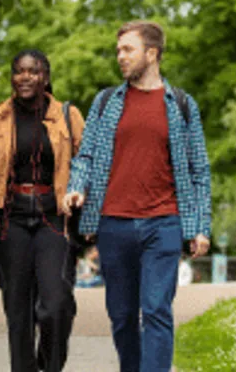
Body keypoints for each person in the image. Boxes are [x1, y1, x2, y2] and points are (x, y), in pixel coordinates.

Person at [63, 20, 212, 372]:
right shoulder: (105, 103)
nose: (120, 56)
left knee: (157, 309)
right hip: (113, 223)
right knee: (122, 315)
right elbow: (85, 156)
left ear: (152, 53)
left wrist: (200, 226)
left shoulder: (181, 105)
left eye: (128, 49)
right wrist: (76, 188)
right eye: (118, 50)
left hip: (164, 223)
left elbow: (199, 169)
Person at [0, 49, 85, 372]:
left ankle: (50, 367)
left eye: (33, 71)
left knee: (56, 305)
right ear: (12, 77)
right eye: (19, 71)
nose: (25, 77)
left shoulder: (67, 115)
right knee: (18, 312)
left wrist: (80, 195)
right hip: (11, 221)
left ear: (45, 77)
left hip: (53, 219)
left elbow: (86, 163)